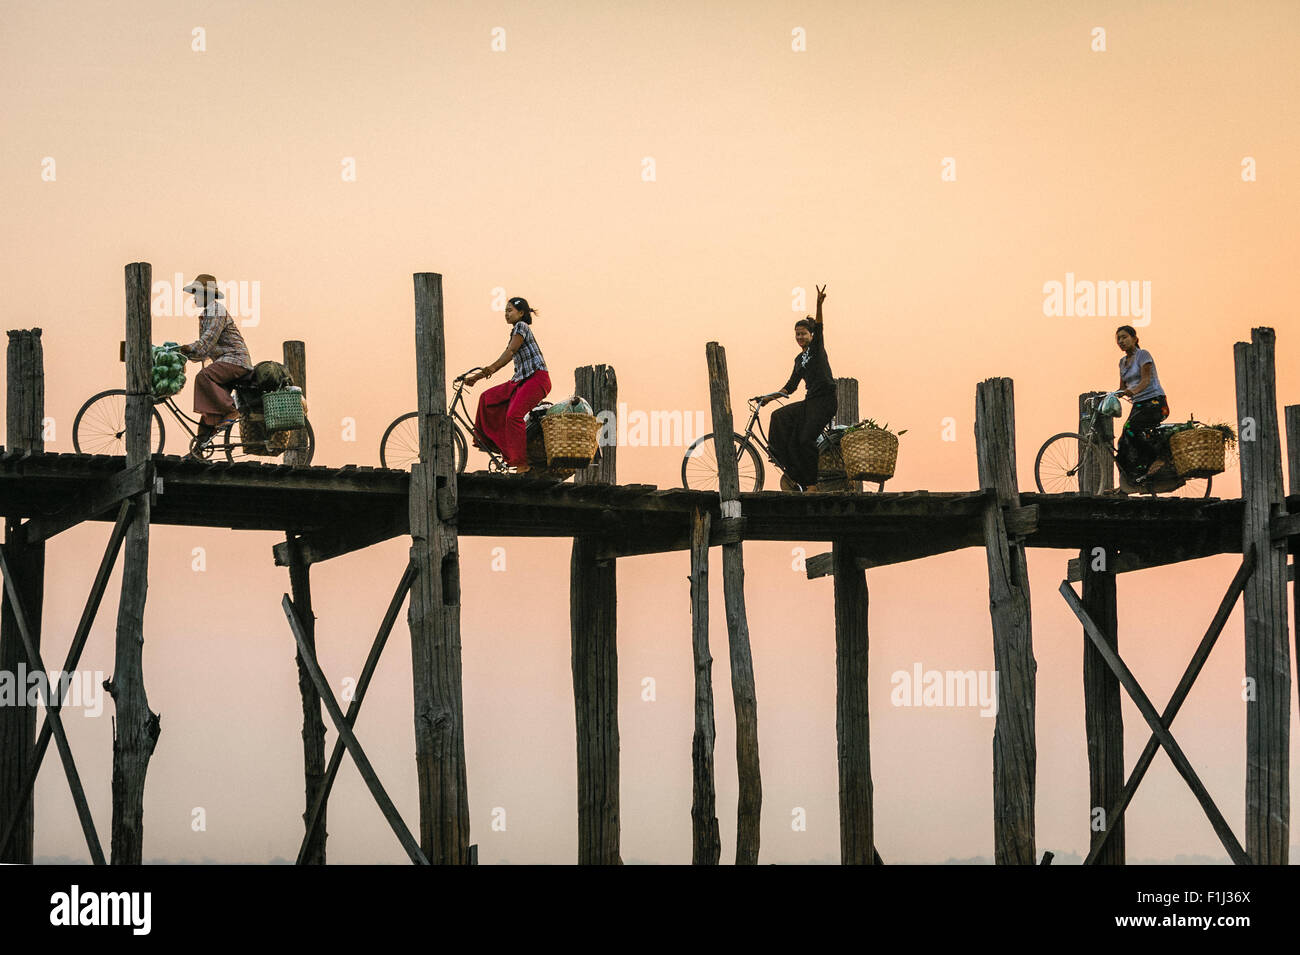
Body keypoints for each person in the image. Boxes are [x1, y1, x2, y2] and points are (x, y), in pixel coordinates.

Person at [760, 284, 837, 492]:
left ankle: (812, 485)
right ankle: (794, 472)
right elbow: (789, 388)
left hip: (825, 401)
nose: (800, 338)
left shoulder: (816, 348)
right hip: (810, 402)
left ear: (811, 335)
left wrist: (819, 304)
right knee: (779, 417)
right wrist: (767, 398)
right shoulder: (798, 360)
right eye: (797, 335)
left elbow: (820, 326)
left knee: (804, 439)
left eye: (803, 334)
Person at [463, 297, 552, 473]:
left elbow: (510, 352)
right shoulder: (515, 330)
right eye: (505, 311)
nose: (506, 314)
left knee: (513, 416)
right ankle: (498, 447)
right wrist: (479, 376)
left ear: (521, 313)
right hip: (521, 380)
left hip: (536, 378)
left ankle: (521, 463)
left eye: (510, 310)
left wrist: (484, 372)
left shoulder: (521, 327)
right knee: (487, 398)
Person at [178, 274, 254, 451]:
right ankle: (199, 448)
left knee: (204, 377)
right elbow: (203, 353)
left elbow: (207, 342)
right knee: (209, 408)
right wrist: (184, 355)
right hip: (224, 362)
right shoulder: (206, 315)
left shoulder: (216, 310)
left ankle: (230, 410)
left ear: (207, 294)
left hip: (235, 359)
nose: (195, 297)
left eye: (197, 293)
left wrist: (187, 348)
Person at [1114, 324, 1169, 483]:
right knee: (1123, 442)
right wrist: (1109, 396)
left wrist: (1133, 391)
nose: (1121, 341)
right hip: (1138, 406)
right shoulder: (1122, 362)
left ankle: (1158, 457)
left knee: (1130, 428)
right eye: (1118, 339)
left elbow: (1146, 380)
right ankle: (1133, 479)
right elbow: (1122, 388)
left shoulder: (1143, 355)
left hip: (1155, 403)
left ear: (1135, 339)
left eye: (1124, 337)